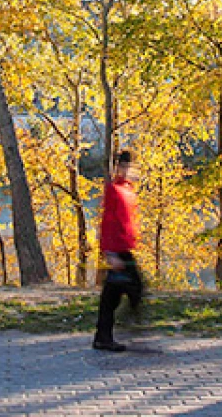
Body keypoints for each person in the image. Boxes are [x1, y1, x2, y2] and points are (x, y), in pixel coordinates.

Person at [93, 149, 143, 352]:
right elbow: (108, 222)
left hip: (124, 247)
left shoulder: (129, 190)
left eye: (130, 167)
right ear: (119, 168)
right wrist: (110, 253)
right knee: (132, 289)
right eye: (123, 167)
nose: (127, 170)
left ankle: (105, 336)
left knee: (114, 295)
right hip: (117, 251)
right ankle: (127, 326)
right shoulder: (114, 190)